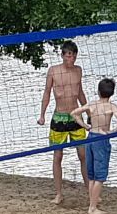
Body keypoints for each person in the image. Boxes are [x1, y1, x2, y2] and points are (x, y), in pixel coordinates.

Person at [37, 40, 89, 205]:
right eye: (68, 56)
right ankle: (59, 194)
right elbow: (46, 93)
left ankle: (90, 191)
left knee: (83, 155)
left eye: (73, 56)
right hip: (59, 117)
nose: (71, 59)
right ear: (63, 55)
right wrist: (42, 115)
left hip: (75, 116)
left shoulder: (78, 70)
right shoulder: (53, 71)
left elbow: (80, 93)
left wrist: (88, 112)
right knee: (58, 156)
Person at [74, 78, 117, 214]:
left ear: (98, 91)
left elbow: (74, 113)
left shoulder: (92, 104)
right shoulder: (112, 107)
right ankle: (92, 208)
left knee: (91, 175)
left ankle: (92, 203)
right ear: (112, 93)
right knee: (100, 176)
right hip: (101, 140)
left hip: (90, 138)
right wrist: (112, 132)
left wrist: (85, 126)